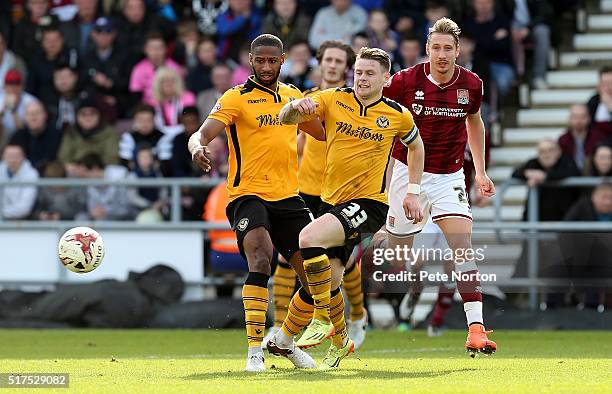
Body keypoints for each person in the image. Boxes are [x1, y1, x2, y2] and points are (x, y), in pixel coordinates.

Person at [274, 47, 424, 369]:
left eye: (370, 73)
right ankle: (331, 340)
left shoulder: (397, 114)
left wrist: (412, 190)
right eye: (358, 72)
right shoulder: (332, 99)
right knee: (327, 282)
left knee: (307, 239)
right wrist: (294, 108)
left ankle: (319, 319)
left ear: (386, 77)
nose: (362, 78)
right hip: (331, 201)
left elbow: (416, 145)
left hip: (369, 204)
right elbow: (286, 119)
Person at [188, 34, 325, 372]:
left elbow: (322, 133)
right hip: (247, 194)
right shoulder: (236, 98)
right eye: (259, 60)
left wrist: (312, 108)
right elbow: (202, 134)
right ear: (250, 60)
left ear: (282, 61)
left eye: (272, 61)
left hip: (288, 197)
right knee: (261, 258)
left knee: (314, 275)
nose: (266, 67)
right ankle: (253, 351)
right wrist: (195, 148)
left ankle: (284, 341)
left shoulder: (293, 96)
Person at [380, 17, 497, 356]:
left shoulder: (472, 85)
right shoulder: (404, 81)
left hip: (449, 175)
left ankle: (475, 328)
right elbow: (376, 112)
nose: (442, 54)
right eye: (436, 48)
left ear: (458, 51)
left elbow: (475, 123)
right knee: (399, 259)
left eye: (448, 48)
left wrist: (481, 172)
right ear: (427, 49)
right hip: (406, 171)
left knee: (463, 247)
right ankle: (406, 256)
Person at [262, 40, 369, 351]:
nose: (333, 65)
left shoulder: (353, 102)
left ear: (347, 67)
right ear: (320, 63)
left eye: (339, 61)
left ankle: (357, 318)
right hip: (306, 191)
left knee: (340, 266)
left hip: (340, 192)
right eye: (328, 60)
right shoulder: (307, 100)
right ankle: (280, 324)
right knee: (286, 255)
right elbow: (294, 143)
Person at [0, 144, 39, 220]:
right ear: (3, 157)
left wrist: (2, 213)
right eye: (9, 156)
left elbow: (24, 208)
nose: (12, 160)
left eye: (16, 156)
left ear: (23, 157)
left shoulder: (31, 174)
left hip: (23, 222)